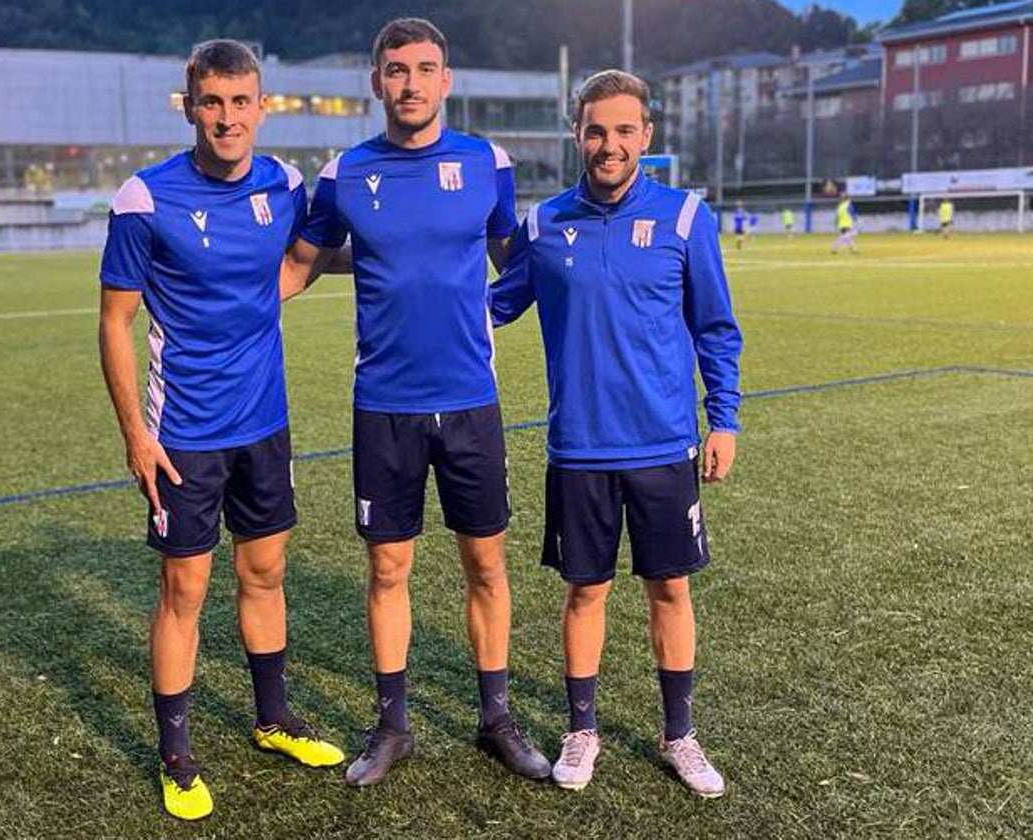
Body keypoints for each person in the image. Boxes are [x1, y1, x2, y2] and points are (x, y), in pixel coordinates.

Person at [280, 17, 550, 787]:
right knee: (389, 568)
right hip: (384, 405)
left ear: (445, 79)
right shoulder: (345, 173)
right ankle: (393, 725)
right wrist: (227, 308)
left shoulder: (485, 162)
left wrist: (487, 313)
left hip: (471, 401)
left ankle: (496, 717)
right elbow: (298, 264)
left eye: (424, 69)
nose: (410, 83)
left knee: (486, 565)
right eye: (396, 70)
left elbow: (519, 258)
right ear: (378, 82)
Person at [98, 39, 343, 822]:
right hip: (186, 435)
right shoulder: (145, 198)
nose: (227, 118)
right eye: (213, 102)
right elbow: (114, 321)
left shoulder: (285, 183)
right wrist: (137, 434)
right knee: (185, 589)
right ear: (190, 106)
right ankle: (176, 753)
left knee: (265, 573)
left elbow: (296, 265)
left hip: (265, 425)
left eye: (242, 103)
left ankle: (272, 720)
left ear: (261, 108)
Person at [489, 69, 743, 796]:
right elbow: (492, 309)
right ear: (578, 133)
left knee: (671, 590)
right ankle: (581, 730)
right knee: (584, 593)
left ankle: (680, 734)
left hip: (665, 444)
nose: (610, 144)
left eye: (624, 130)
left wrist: (722, 417)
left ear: (646, 136)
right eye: (596, 130)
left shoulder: (687, 218)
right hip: (580, 448)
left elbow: (716, 328)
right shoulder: (542, 227)